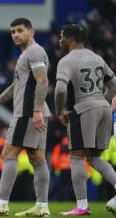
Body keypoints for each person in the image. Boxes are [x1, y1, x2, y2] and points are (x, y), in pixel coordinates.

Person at [0, 18, 51, 216]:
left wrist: (35, 111)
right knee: (37, 158)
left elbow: (42, 81)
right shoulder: (26, 54)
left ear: (31, 32)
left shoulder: (34, 52)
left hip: (27, 112)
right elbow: (18, 85)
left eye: (20, 30)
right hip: (32, 111)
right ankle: (42, 206)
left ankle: (1, 203)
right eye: (13, 32)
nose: (16, 34)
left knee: (8, 154)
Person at [54, 24, 116, 216]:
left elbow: (60, 89)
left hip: (84, 110)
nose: (60, 40)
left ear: (71, 38)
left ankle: (81, 206)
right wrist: (103, 102)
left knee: (76, 156)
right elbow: (113, 83)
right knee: (95, 157)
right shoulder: (97, 57)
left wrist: (60, 110)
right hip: (104, 109)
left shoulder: (67, 60)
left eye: (62, 36)